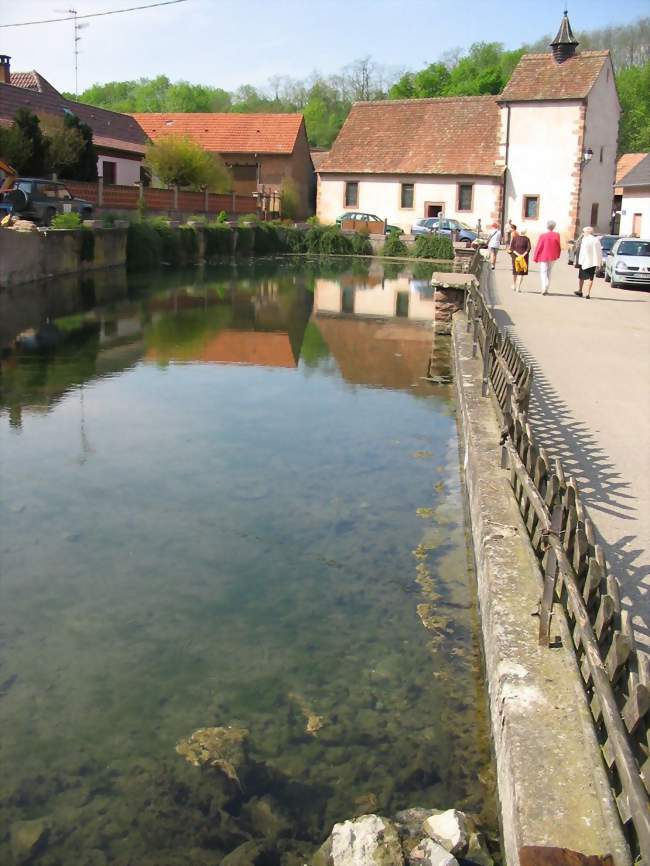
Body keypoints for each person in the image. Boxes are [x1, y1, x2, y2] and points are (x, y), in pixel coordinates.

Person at [533, 220, 562, 295]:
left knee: (543, 272)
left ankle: (544, 287)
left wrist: (535, 256)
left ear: (547, 226)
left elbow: (539, 246)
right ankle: (546, 287)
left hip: (544, 256)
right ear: (554, 227)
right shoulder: (557, 235)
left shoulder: (543, 235)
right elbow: (558, 246)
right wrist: (558, 254)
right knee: (549, 272)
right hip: (553, 256)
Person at [574, 226, 602, 299]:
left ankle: (580, 290)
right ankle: (588, 293)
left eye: (583, 232)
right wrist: (598, 262)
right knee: (591, 278)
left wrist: (579, 261)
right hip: (592, 262)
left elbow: (581, 251)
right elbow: (599, 252)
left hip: (584, 261)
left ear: (587, 232)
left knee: (581, 277)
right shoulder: (596, 240)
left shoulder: (585, 240)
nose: (583, 233)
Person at [509, 225, 531, 292]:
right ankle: (518, 288)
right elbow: (529, 248)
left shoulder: (515, 238)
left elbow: (512, 247)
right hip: (524, 257)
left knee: (515, 271)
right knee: (521, 272)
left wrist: (517, 254)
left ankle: (514, 285)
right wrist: (523, 254)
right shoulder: (527, 239)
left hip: (515, 257)